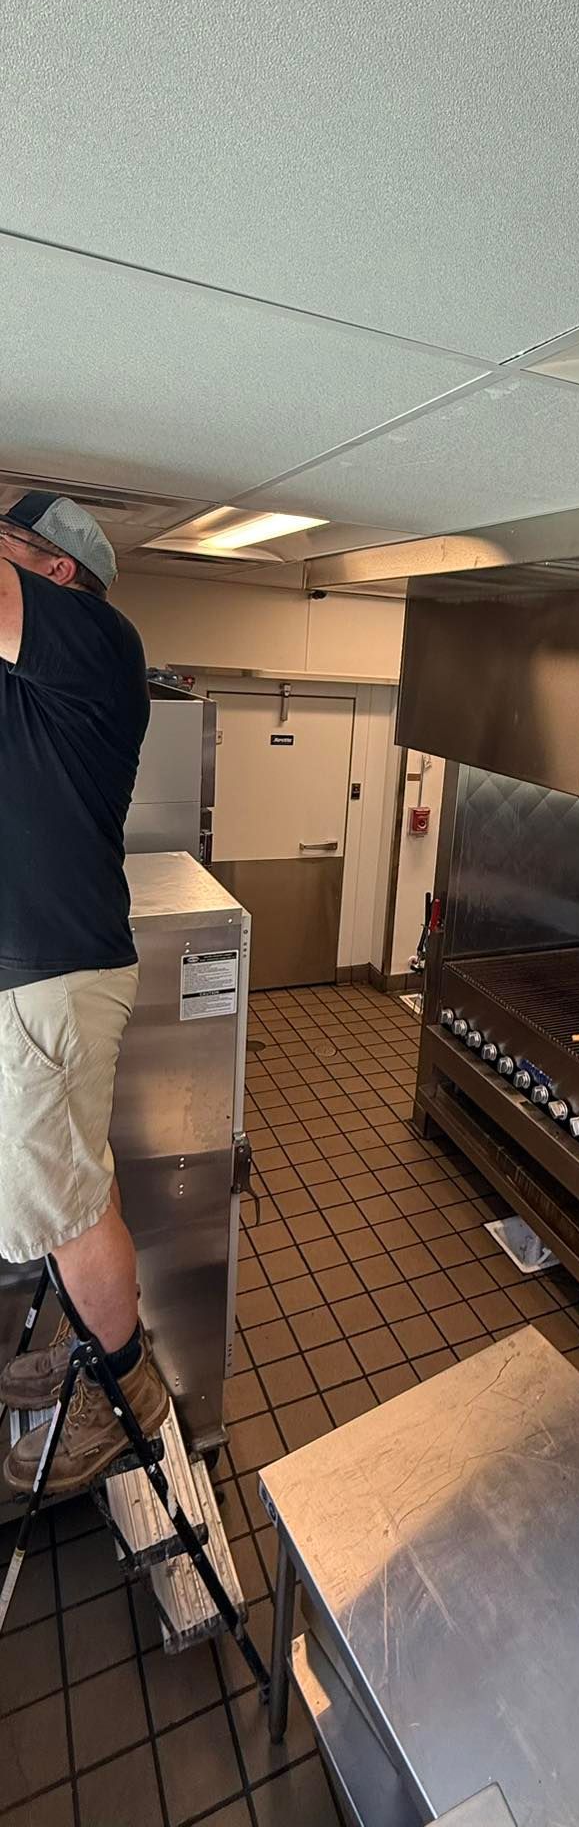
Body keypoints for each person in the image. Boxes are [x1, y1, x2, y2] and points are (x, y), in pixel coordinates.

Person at [0, 491, 168, 1492]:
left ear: (57, 570)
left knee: (67, 1202)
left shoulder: (99, 639)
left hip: (57, 976)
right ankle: (87, 1349)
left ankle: (124, 1389)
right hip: (42, 974)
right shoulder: (35, 679)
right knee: (67, 1182)